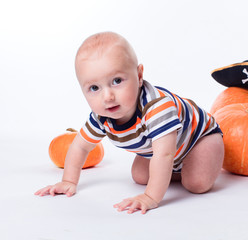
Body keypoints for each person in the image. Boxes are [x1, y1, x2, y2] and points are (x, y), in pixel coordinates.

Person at [35, 32, 224, 214]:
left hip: (199, 140)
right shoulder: (101, 117)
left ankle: (194, 166)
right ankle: (176, 171)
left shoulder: (156, 107)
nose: (107, 97)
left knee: (196, 183)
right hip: (165, 151)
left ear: (139, 75)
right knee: (140, 176)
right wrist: (68, 181)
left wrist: (151, 196)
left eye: (117, 81)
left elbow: (165, 155)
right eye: (94, 88)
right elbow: (79, 147)